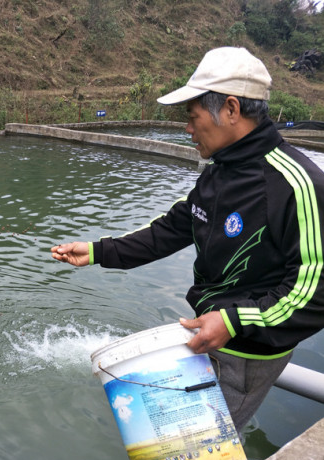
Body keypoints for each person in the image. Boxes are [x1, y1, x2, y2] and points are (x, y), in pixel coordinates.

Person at [51, 47, 324, 433]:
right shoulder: (219, 173)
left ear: (230, 109)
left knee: (196, 452)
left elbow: (314, 293)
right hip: (206, 337)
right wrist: (98, 251)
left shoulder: (297, 185)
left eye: (193, 117)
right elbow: (172, 228)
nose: (188, 128)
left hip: (245, 352)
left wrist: (232, 321)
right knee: (163, 441)